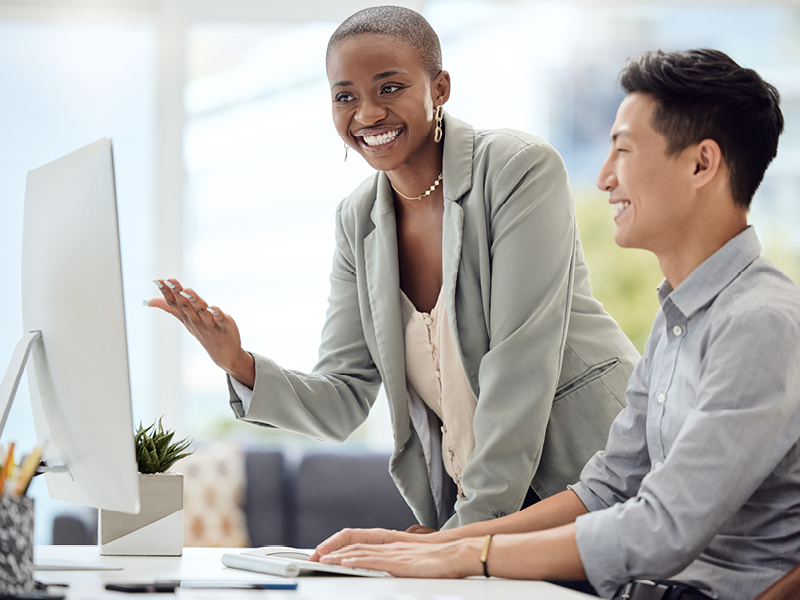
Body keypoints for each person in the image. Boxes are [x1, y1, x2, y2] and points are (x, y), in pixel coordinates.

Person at [313, 49, 800, 600]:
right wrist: (438, 546)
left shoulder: (760, 323)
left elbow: (661, 527)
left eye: (623, 150)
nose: (604, 177)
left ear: (701, 164)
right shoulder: (679, 322)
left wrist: (466, 555)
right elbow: (606, 489)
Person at [148, 6, 638, 531]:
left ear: (439, 88)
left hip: (602, 475)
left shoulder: (517, 169)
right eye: (345, 96)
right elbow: (343, 398)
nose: (367, 113)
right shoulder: (357, 220)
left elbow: (520, 370)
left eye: (389, 88)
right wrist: (238, 362)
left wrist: (455, 540)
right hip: (493, 512)